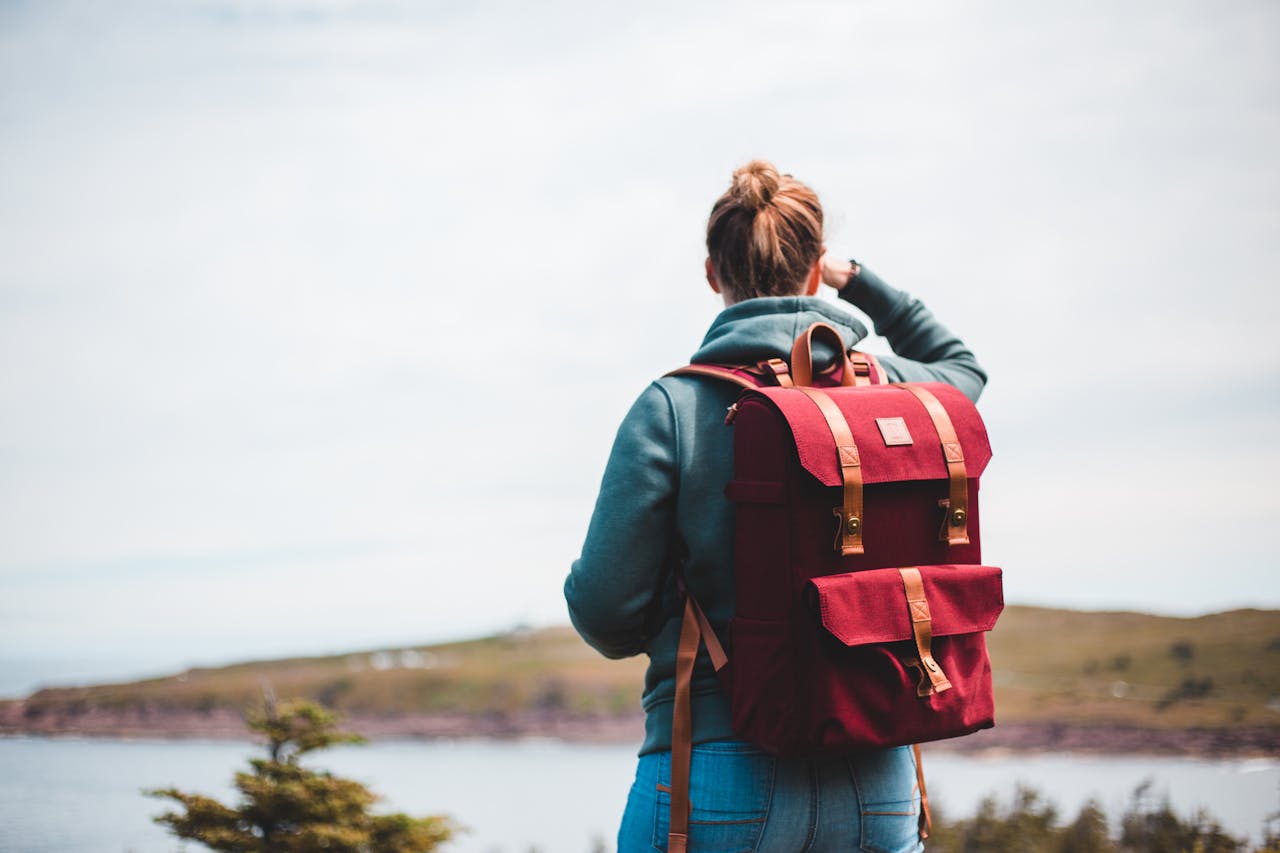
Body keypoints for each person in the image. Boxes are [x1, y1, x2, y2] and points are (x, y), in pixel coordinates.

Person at [564, 160, 987, 852]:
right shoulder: (898, 390)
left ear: (712, 274)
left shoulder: (673, 406)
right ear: (817, 269)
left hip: (716, 769)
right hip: (877, 777)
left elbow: (607, 613)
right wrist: (862, 280)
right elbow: (963, 366)